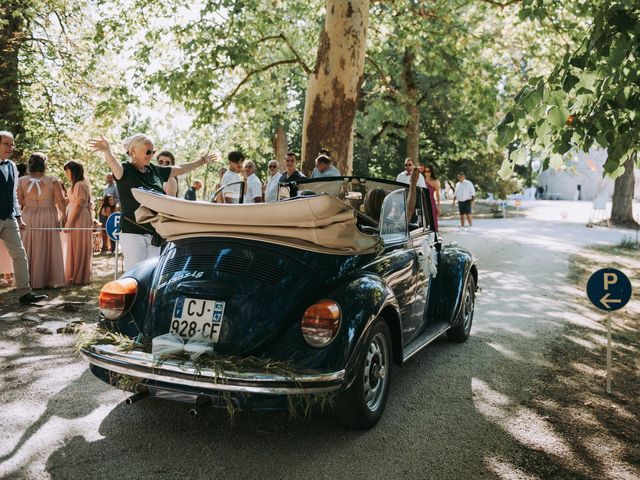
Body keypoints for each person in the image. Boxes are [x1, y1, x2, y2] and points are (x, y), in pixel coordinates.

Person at [89, 133, 217, 271]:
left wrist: (203, 160)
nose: (151, 155)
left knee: (151, 276)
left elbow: (180, 169)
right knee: (135, 275)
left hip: (155, 234)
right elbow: (113, 164)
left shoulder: (155, 170)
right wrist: (107, 151)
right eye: (148, 151)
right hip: (132, 233)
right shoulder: (124, 170)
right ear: (133, 152)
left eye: (153, 151)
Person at [0, 131, 47, 303]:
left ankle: (25, 293)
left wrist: (19, 218)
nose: (11, 148)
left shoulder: (12, 166)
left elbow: (13, 195)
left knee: (20, 254)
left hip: (10, 218)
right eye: (7, 144)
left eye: (12, 144)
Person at [16, 152, 66, 289]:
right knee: (49, 246)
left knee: (28, 247)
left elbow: (18, 202)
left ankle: (30, 280)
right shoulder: (52, 180)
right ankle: (48, 279)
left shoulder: (21, 181)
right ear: (44, 165)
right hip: (48, 216)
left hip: (28, 216)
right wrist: (64, 217)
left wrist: (18, 218)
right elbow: (61, 201)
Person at [63, 161, 94, 285]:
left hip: (79, 217)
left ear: (73, 171)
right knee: (75, 244)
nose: (66, 174)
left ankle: (79, 275)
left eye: (67, 171)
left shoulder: (80, 185)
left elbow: (80, 204)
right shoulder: (78, 184)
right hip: (77, 216)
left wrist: (70, 222)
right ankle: (74, 273)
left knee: (78, 244)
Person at [421, 164, 441, 230]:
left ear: (431, 172)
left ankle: (435, 235)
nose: (426, 173)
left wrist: (439, 207)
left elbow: (438, 195)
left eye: (428, 171)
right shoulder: (421, 180)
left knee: (433, 221)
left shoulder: (435, 182)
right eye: (425, 171)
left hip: (431, 203)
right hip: (422, 202)